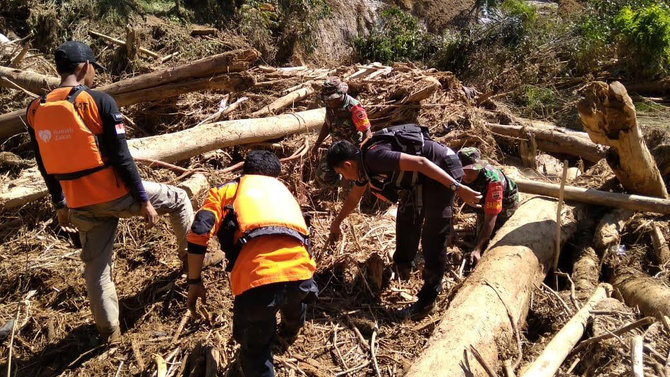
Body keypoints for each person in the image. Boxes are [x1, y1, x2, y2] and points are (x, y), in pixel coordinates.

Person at [26, 41, 209, 343]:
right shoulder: (97, 101)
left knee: (97, 269)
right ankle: (189, 262)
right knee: (178, 199)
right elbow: (122, 157)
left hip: (78, 204)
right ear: (84, 67)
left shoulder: (36, 109)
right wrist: (143, 200)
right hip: (116, 194)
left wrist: (59, 202)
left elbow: (44, 164)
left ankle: (108, 333)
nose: (95, 72)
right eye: (94, 66)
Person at [325, 124, 481, 319]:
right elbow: (353, 198)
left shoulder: (374, 158)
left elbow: (421, 163)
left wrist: (458, 188)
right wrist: (336, 223)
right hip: (420, 179)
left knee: (433, 235)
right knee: (406, 217)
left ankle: (428, 298)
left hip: (442, 168)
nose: (344, 179)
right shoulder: (364, 166)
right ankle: (402, 266)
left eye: (341, 174)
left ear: (347, 165)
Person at [186, 150, 318, 377]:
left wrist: (194, 281)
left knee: (255, 349)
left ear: (244, 171)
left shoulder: (226, 191)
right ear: (275, 176)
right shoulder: (285, 192)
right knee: (293, 299)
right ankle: (290, 329)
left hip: (258, 282)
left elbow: (200, 229)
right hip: (303, 277)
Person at [457, 147, 519, 266]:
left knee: (499, 233)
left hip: (506, 201)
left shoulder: (493, 181)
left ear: (479, 167)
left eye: (471, 170)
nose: (466, 175)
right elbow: (447, 202)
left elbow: (491, 216)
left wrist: (478, 249)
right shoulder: (456, 174)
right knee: (479, 234)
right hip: (484, 200)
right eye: (463, 170)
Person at [312, 76, 373, 185]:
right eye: (327, 100)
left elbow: (367, 133)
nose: (329, 102)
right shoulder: (330, 105)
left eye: (332, 99)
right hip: (337, 149)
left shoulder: (354, 108)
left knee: (351, 184)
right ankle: (342, 181)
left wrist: (361, 156)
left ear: (341, 94)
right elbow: (327, 124)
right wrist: (317, 145)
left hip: (352, 152)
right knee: (322, 175)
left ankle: (352, 186)